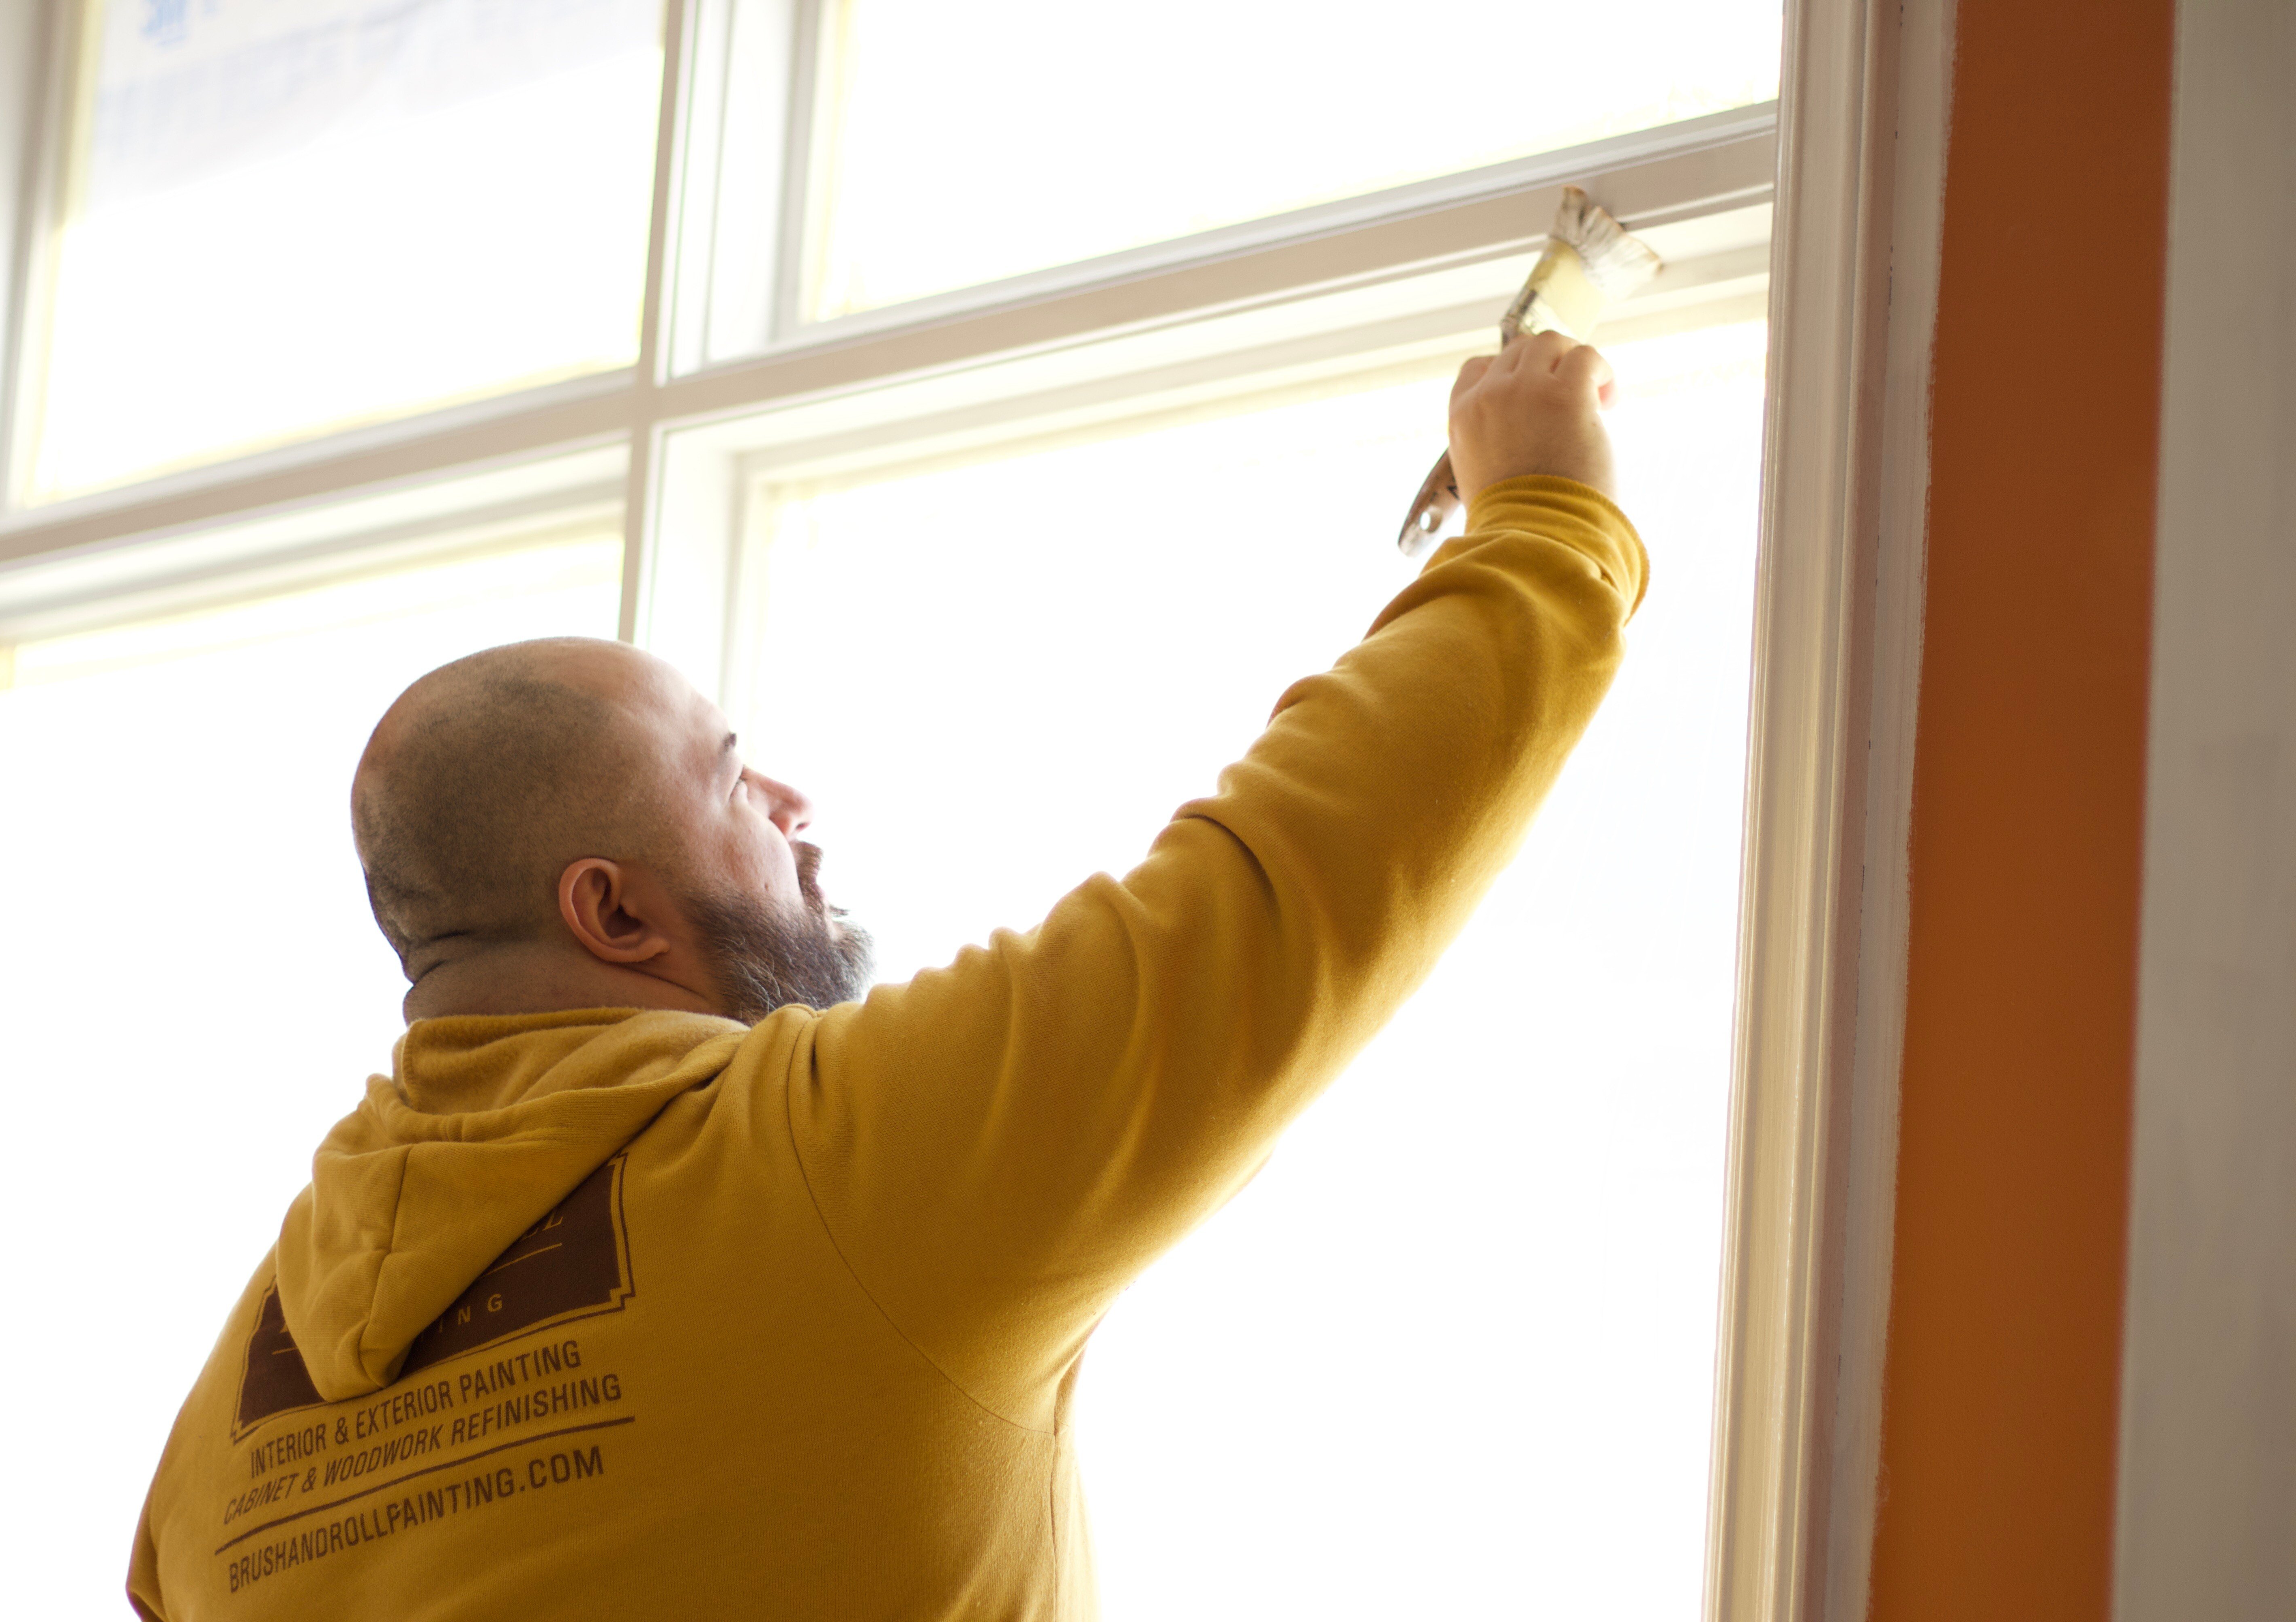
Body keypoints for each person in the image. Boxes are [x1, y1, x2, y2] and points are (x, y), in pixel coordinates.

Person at [127, 331, 1647, 1620]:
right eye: (732, 783)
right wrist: (1545, 515)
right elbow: (1285, 886)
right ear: (616, 914)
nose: (792, 805)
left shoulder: (227, 1415)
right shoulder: (831, 1161)